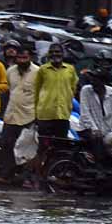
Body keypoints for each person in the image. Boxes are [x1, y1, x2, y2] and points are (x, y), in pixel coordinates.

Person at [0, 45, 38, 186]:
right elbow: (7, 92)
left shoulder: (38, 72)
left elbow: (40, 95)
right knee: (6, 145)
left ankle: (25, 177)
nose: (21, 60)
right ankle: (6, 176)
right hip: (11, 115)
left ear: (30, 57)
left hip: (29, 116)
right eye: (19, 58)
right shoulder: (10, 71)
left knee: (26, 149)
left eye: (24, 57)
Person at [32, 43, 78, 176]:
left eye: (57, 52)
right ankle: (38, 175)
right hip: (45, 115)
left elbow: (73, 88)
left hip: (62, 115)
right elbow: (37, 91)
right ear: (48, 54)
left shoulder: (70, 69)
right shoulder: (43, 69)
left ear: (63, 54)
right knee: (43, 147)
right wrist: (36, 113)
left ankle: (56, 173)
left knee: (60, 148)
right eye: (52, 52)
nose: (54, 54)